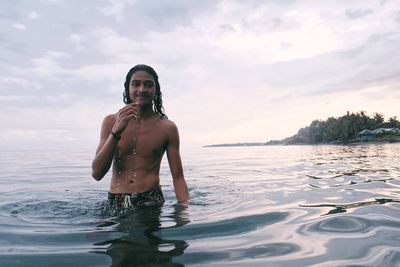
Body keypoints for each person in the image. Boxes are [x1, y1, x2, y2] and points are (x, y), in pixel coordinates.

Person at [92, 64, 189, 208]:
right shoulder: (111, 122)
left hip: (151, 199)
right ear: (128, 88)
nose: (142, 90)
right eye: (136, 84)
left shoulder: (167, 128)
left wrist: (185, 209)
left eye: (148, 85)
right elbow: (97, 174)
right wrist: (116, 133)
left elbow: (178, 177)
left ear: (155, 90)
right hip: (116, 200)